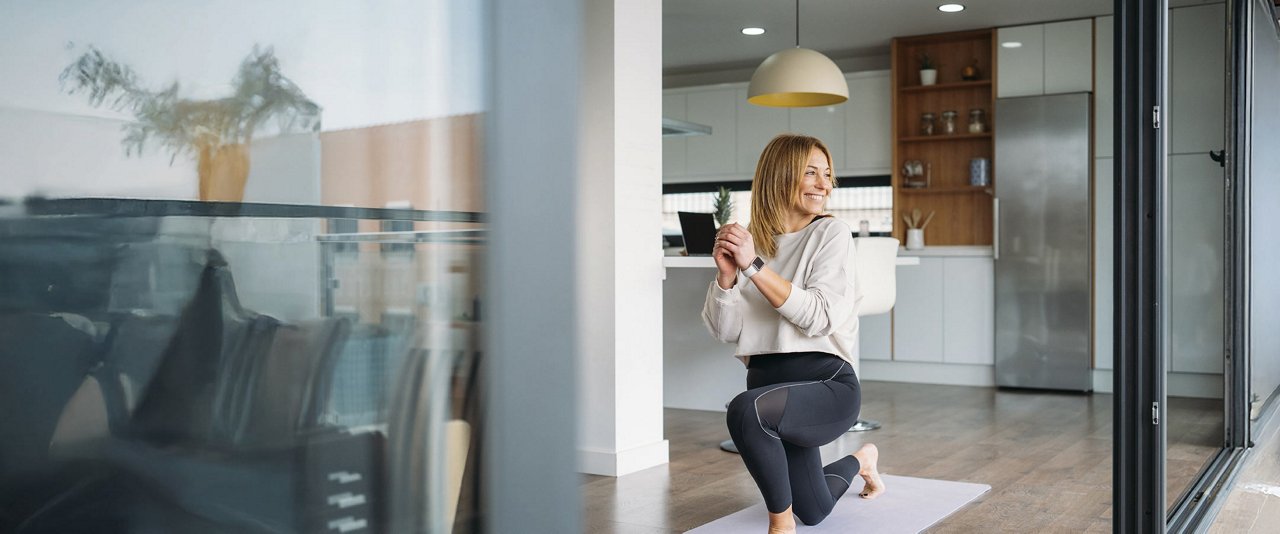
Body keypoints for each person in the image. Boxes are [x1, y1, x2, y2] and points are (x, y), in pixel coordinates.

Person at [701, 134, 884, 533]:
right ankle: (863, 459)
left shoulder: (830, 234)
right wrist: (727, 278)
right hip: (772, 391)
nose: (824, 184)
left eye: (828, 175)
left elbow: (819, 316)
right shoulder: (753, 241)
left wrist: (753, 267)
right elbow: (724, 330)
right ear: (780, 175)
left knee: (744, 409)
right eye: (811, 173)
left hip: (826, 385)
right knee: (815, 509)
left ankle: (780, 527)